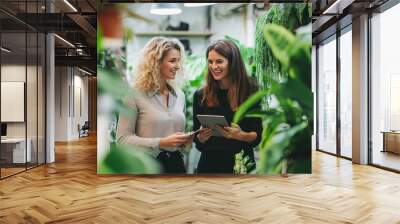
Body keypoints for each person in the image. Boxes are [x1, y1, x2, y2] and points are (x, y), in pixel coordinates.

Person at [117, 37, 193, 174]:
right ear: (156, 63)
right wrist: (161, 142)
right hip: (146, 167)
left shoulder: (180, 95)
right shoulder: (134, 94)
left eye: (178, 61)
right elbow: (123, 140)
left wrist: (184, 140)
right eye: (172, 61)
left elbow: (173, 134)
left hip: (176, 164)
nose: (178, 66)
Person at [193, 39, 262, 173]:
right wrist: (201, 137)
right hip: (209, 164)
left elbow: (257, 135)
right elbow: (197, 140)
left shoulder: (251, 91)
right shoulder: (201, 94)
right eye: (210, 62)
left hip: (241, 163)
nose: (213, 66)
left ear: (233, 63)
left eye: (219, 61)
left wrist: (241, 135)